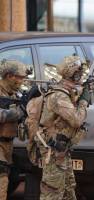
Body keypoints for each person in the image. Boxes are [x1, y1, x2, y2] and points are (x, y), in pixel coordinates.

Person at [32, 56, 94, 200]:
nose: (82, 75)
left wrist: (93, 95)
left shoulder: (67, 91)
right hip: (53, 151)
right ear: (73, 74)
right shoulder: (59, 95)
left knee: (68, 190)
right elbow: (76, 120)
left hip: (62, 149)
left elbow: (73, 106)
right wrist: (84, 100)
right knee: (52, 193)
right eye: (80, 72)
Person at [0, 59, 28, 200]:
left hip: (7, 146)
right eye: (20, 77)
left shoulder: (14, 94)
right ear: (9, 76)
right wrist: (20, 111)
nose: (22, 81)